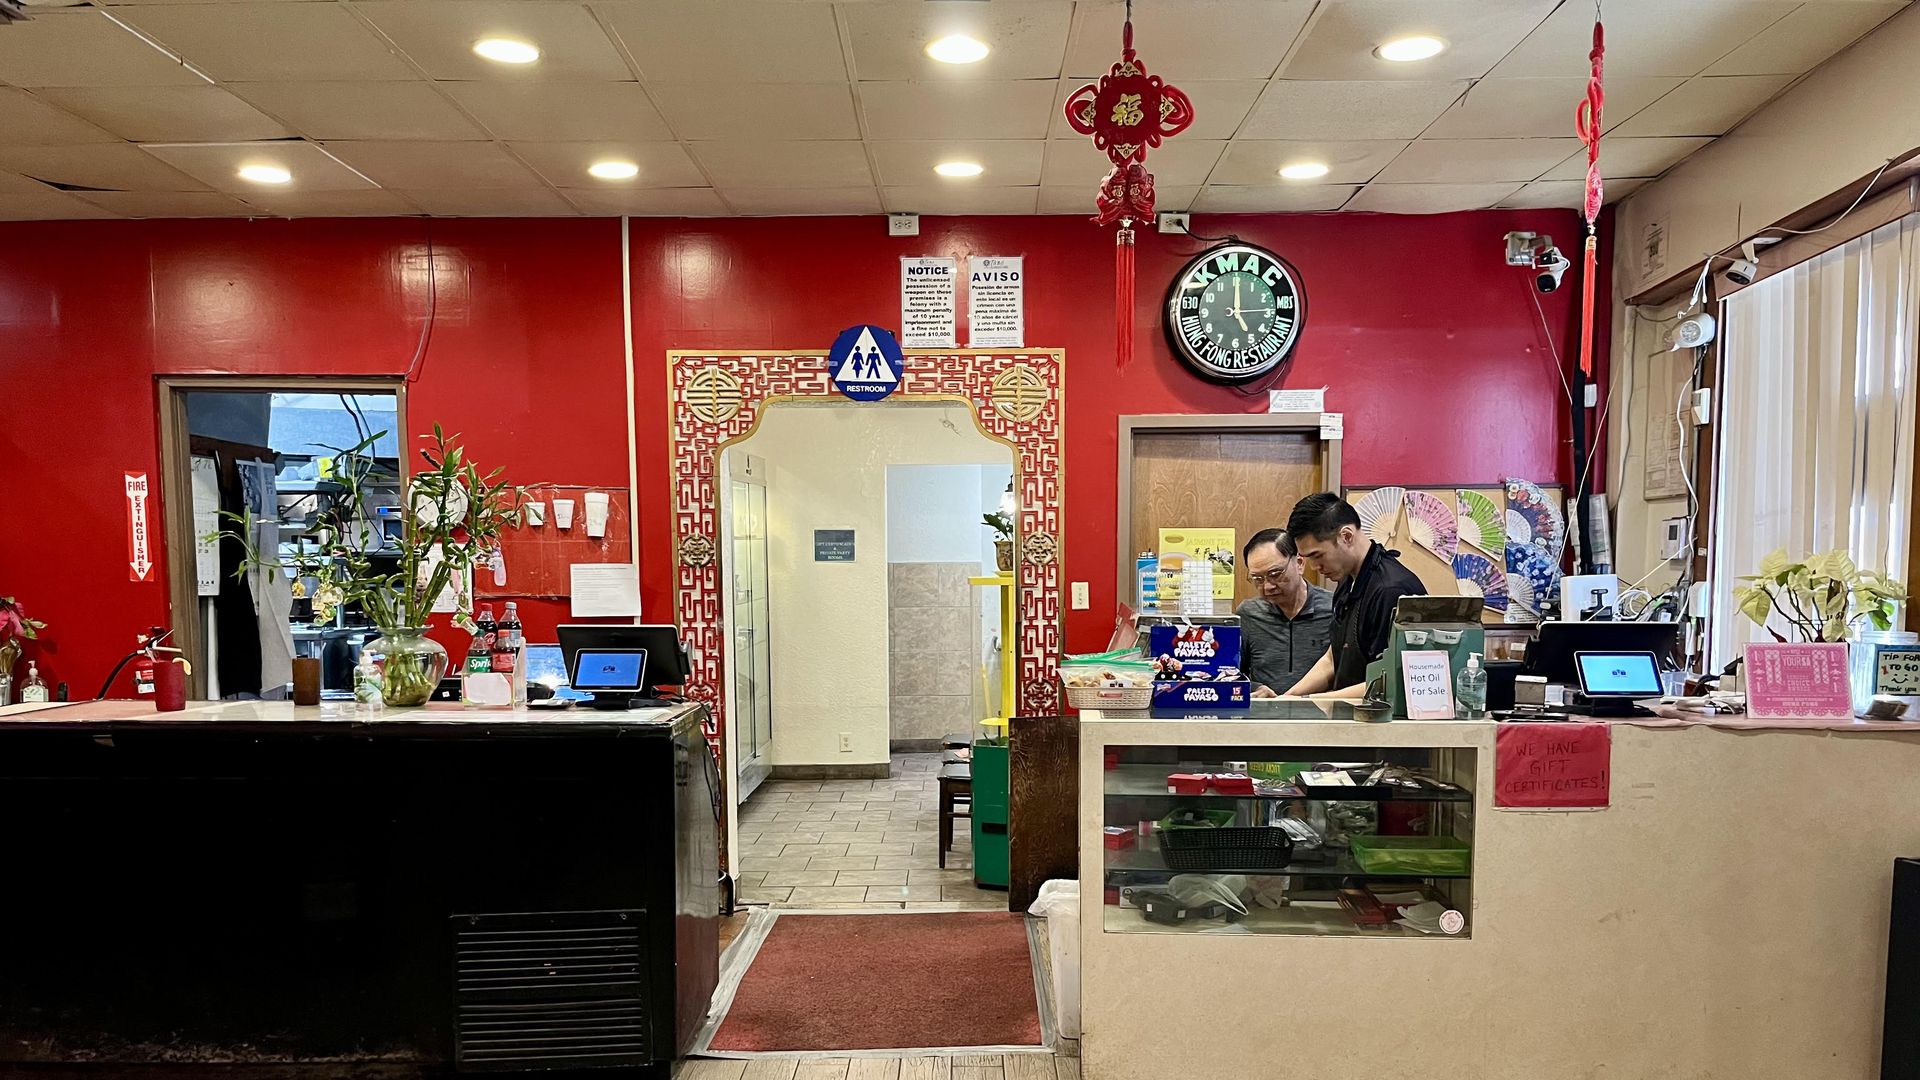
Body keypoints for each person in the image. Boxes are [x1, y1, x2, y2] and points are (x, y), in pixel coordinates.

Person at [1280, 492, 1426, 699]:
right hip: (1349, 719)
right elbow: (1333, 658)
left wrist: (1310, 701)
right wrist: (1287, 698)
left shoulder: (1390, 591)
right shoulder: (1347, 581)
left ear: (1346, 536)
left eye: (1317, 555)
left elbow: (1390, 683)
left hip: (1380, 724)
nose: (1314, 567)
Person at [1237, 528, 1333, 698]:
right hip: (1265, 718)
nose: (1267, 587)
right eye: (1257, 579)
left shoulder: (1333, 608)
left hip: (1322, 716)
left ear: (1300, 564)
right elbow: (1232, 674)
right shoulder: (1248, 614)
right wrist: (1255, 688)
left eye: (1275, 574)